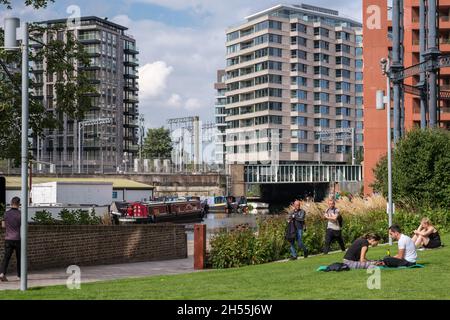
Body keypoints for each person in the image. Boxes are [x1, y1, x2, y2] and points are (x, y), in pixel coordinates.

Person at [0, 197, 22, 282]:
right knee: (19, 258)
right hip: (18, 239)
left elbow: (3, 225)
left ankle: (2, 273)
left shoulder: (6, 213)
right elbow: (24, 226)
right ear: (19, 204)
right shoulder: (20, 214)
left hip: (8, 238)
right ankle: (19, 276)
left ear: (11, 203)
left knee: (6, 257)